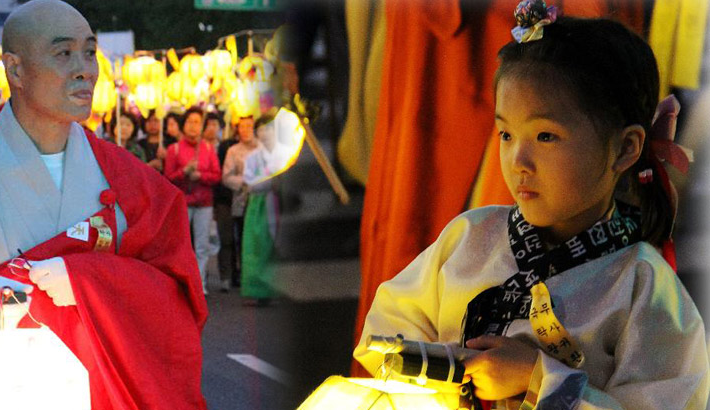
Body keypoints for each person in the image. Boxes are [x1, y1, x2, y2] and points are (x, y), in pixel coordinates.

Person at [354, 10, 709, 409]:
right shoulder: (470, 237)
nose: (518, 159)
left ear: (625, 148)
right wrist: (443, 367)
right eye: (506, 133)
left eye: (545, 136)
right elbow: (387, 331)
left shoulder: (642, 285)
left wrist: (539, 378)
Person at [0, 2, 207, 409]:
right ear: (15, 70)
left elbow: (175, 303)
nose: (85, 69)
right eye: (63, 54)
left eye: (89, 51)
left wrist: (89, 280)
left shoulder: (133, 184)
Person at [165, 107, 221, 295]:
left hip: (204, 203)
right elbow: (168, 178)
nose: (193, 126)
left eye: (197, 122)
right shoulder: (174, 149)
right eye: (190, 121)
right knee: (181, 245)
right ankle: (180, 283)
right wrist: (184, 172)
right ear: (183, 124)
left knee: (202, 245)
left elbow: (216, 176)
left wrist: (200, 175)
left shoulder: (208, 148)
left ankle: (200, 284)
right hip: (183, 203)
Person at [240, 115, 281, 305]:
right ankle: (258, 289)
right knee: (257, 246)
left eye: (269, 128)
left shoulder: (283, 154)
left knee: (275, 245)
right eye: (261, 129)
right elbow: (250, 181)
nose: (265, 133)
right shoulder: (253, 157)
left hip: (277, 201)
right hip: (259, 205)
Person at [220, 116, 258, 290]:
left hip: (261, 199)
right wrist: (243, 181)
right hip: (242, 201)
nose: (246, 130)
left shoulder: (262, 148)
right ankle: (245, 274)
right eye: (242, 127)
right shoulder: (233, 151)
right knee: (243, 238)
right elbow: (226, 177)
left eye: (249, 126)